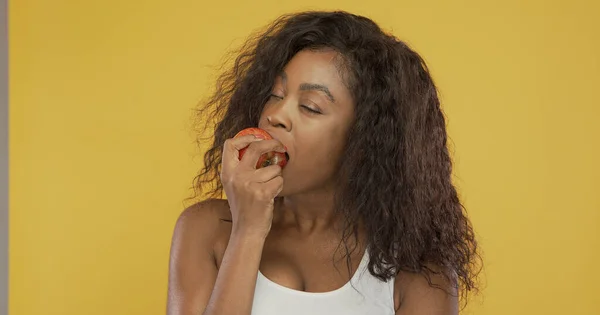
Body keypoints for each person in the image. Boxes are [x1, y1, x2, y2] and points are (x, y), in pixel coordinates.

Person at [167, 10, 480, 315]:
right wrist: (247, 232)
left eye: (310, 107)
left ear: (365, 141)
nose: (275, 115)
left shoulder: (420, 271)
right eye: (275, 94)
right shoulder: (206, 229)